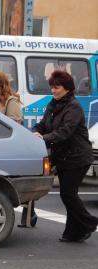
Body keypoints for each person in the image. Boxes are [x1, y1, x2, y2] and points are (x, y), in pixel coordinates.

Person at [33, 70, 98, 242]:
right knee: (69, 194)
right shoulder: (53, 104)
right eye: (52, 87)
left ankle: (89, 222)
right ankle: (73, 232)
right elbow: (42, 125)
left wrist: (43, 138)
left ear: (67, 88)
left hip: (78, 157)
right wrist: (35, 132)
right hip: (63, 156)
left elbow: (65, 132)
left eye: (57, 87)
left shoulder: (73, 107)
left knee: (68, 194)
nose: (53, 91)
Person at [0, 71, 37, 227]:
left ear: (1, 85)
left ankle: (29, 213)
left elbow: (15, 125)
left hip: (6, 149)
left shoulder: (10, 102)